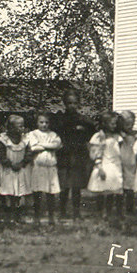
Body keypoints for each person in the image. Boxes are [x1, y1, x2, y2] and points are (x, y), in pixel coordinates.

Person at [56, 89, 93, 220]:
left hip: (78, 154)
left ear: (78, 104)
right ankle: (62, 211)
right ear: (65, 103)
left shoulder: (82, 119)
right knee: (64, 185)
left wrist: (82, 130)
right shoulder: (60, 118)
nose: (72, 106)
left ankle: (76, 212)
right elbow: (59, 131)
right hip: (64, 154)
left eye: (74, 103)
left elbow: (90, 131)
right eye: (69, 103)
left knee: (76, 186)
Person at [28, 112, 63, 224]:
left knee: (50, 193)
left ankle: (51, 217)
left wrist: (41, 145)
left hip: (50, 167)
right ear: (37, 123)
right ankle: (37, 216)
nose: (44, 125)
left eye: (46, 122)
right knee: (37, 192)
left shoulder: (53, 134)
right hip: (38, 166)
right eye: (41, 122)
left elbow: (57, 145)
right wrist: (49, 146)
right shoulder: (33, 134)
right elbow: (33, 148)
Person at [88, 112, 124, 218]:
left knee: (113, 191)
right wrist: (99, 167)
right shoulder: (98, 136)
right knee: (102, 189)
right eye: (112, 124)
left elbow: (119, 151)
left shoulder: (118, 137)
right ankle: (100, 213)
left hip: (116, 166)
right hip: (104, 165)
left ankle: (111, 213)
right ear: (104, 123)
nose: (114, 126)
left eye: (115, 124)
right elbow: (95, 153)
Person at [0, 114, 31, 222]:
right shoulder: (3, 140)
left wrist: (22, 163)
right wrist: (10, 164)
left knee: (19, 192)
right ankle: (7, 215)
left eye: (23, 126)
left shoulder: (25, 140)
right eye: (19, 126)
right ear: (11, 127)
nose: (22, 128)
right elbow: (0, 154)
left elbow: (29, 153)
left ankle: (18, 215)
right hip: (8, 169)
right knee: (8, 191)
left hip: (20, 168)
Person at [119, 110, 137, 215]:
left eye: (131, 124)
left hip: (131, 160)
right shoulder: (120, 134)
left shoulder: (134, 134)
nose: (129, 126)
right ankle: (120, 207)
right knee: (121, 183)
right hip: (121, 159)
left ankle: (129, 208)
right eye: (126, 124)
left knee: (130, 184)